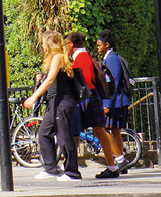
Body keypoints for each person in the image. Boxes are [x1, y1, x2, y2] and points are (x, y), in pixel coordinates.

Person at [24, 30, 81, 181]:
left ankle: (72, 172)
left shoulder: (58, 57)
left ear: (49, 43)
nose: (42, 46)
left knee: (63, 137)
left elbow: (50, 81)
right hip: (54, 101)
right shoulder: (54, 58)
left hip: (62, 101)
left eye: (43, 43)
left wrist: (33, 97)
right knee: (43, 133)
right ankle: (50, 168)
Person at [66, 33, 113, 174]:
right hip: (89, 96)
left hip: (86, 97)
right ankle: (112, 165)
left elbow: (86, 79)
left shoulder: (81, 57)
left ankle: (73, 168)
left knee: (79, 132)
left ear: (71, 44)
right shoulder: (81, 56)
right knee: (97, 130)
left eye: (65, 43)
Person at [96, 29, 129, 179]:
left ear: (107, 45)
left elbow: (112, 81)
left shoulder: (111, 59)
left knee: (105, 129)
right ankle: (120, 159)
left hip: (116, 102)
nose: (97, 48)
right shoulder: (110, 58)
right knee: (114, 130)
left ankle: (120, 160)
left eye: (99, 45)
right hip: (118, 101)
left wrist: (107, 103)